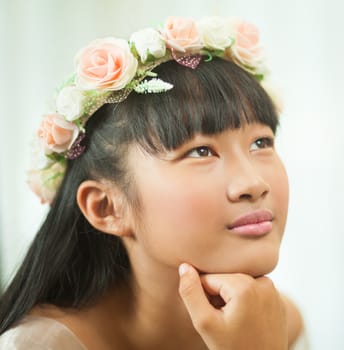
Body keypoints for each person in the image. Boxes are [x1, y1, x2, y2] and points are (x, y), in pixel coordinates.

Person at [0, 16, 306, 349]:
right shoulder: (41, 344)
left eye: (261, 143)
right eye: (201, 151)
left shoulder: (275, 322)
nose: (253, 183)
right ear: (106, 207)